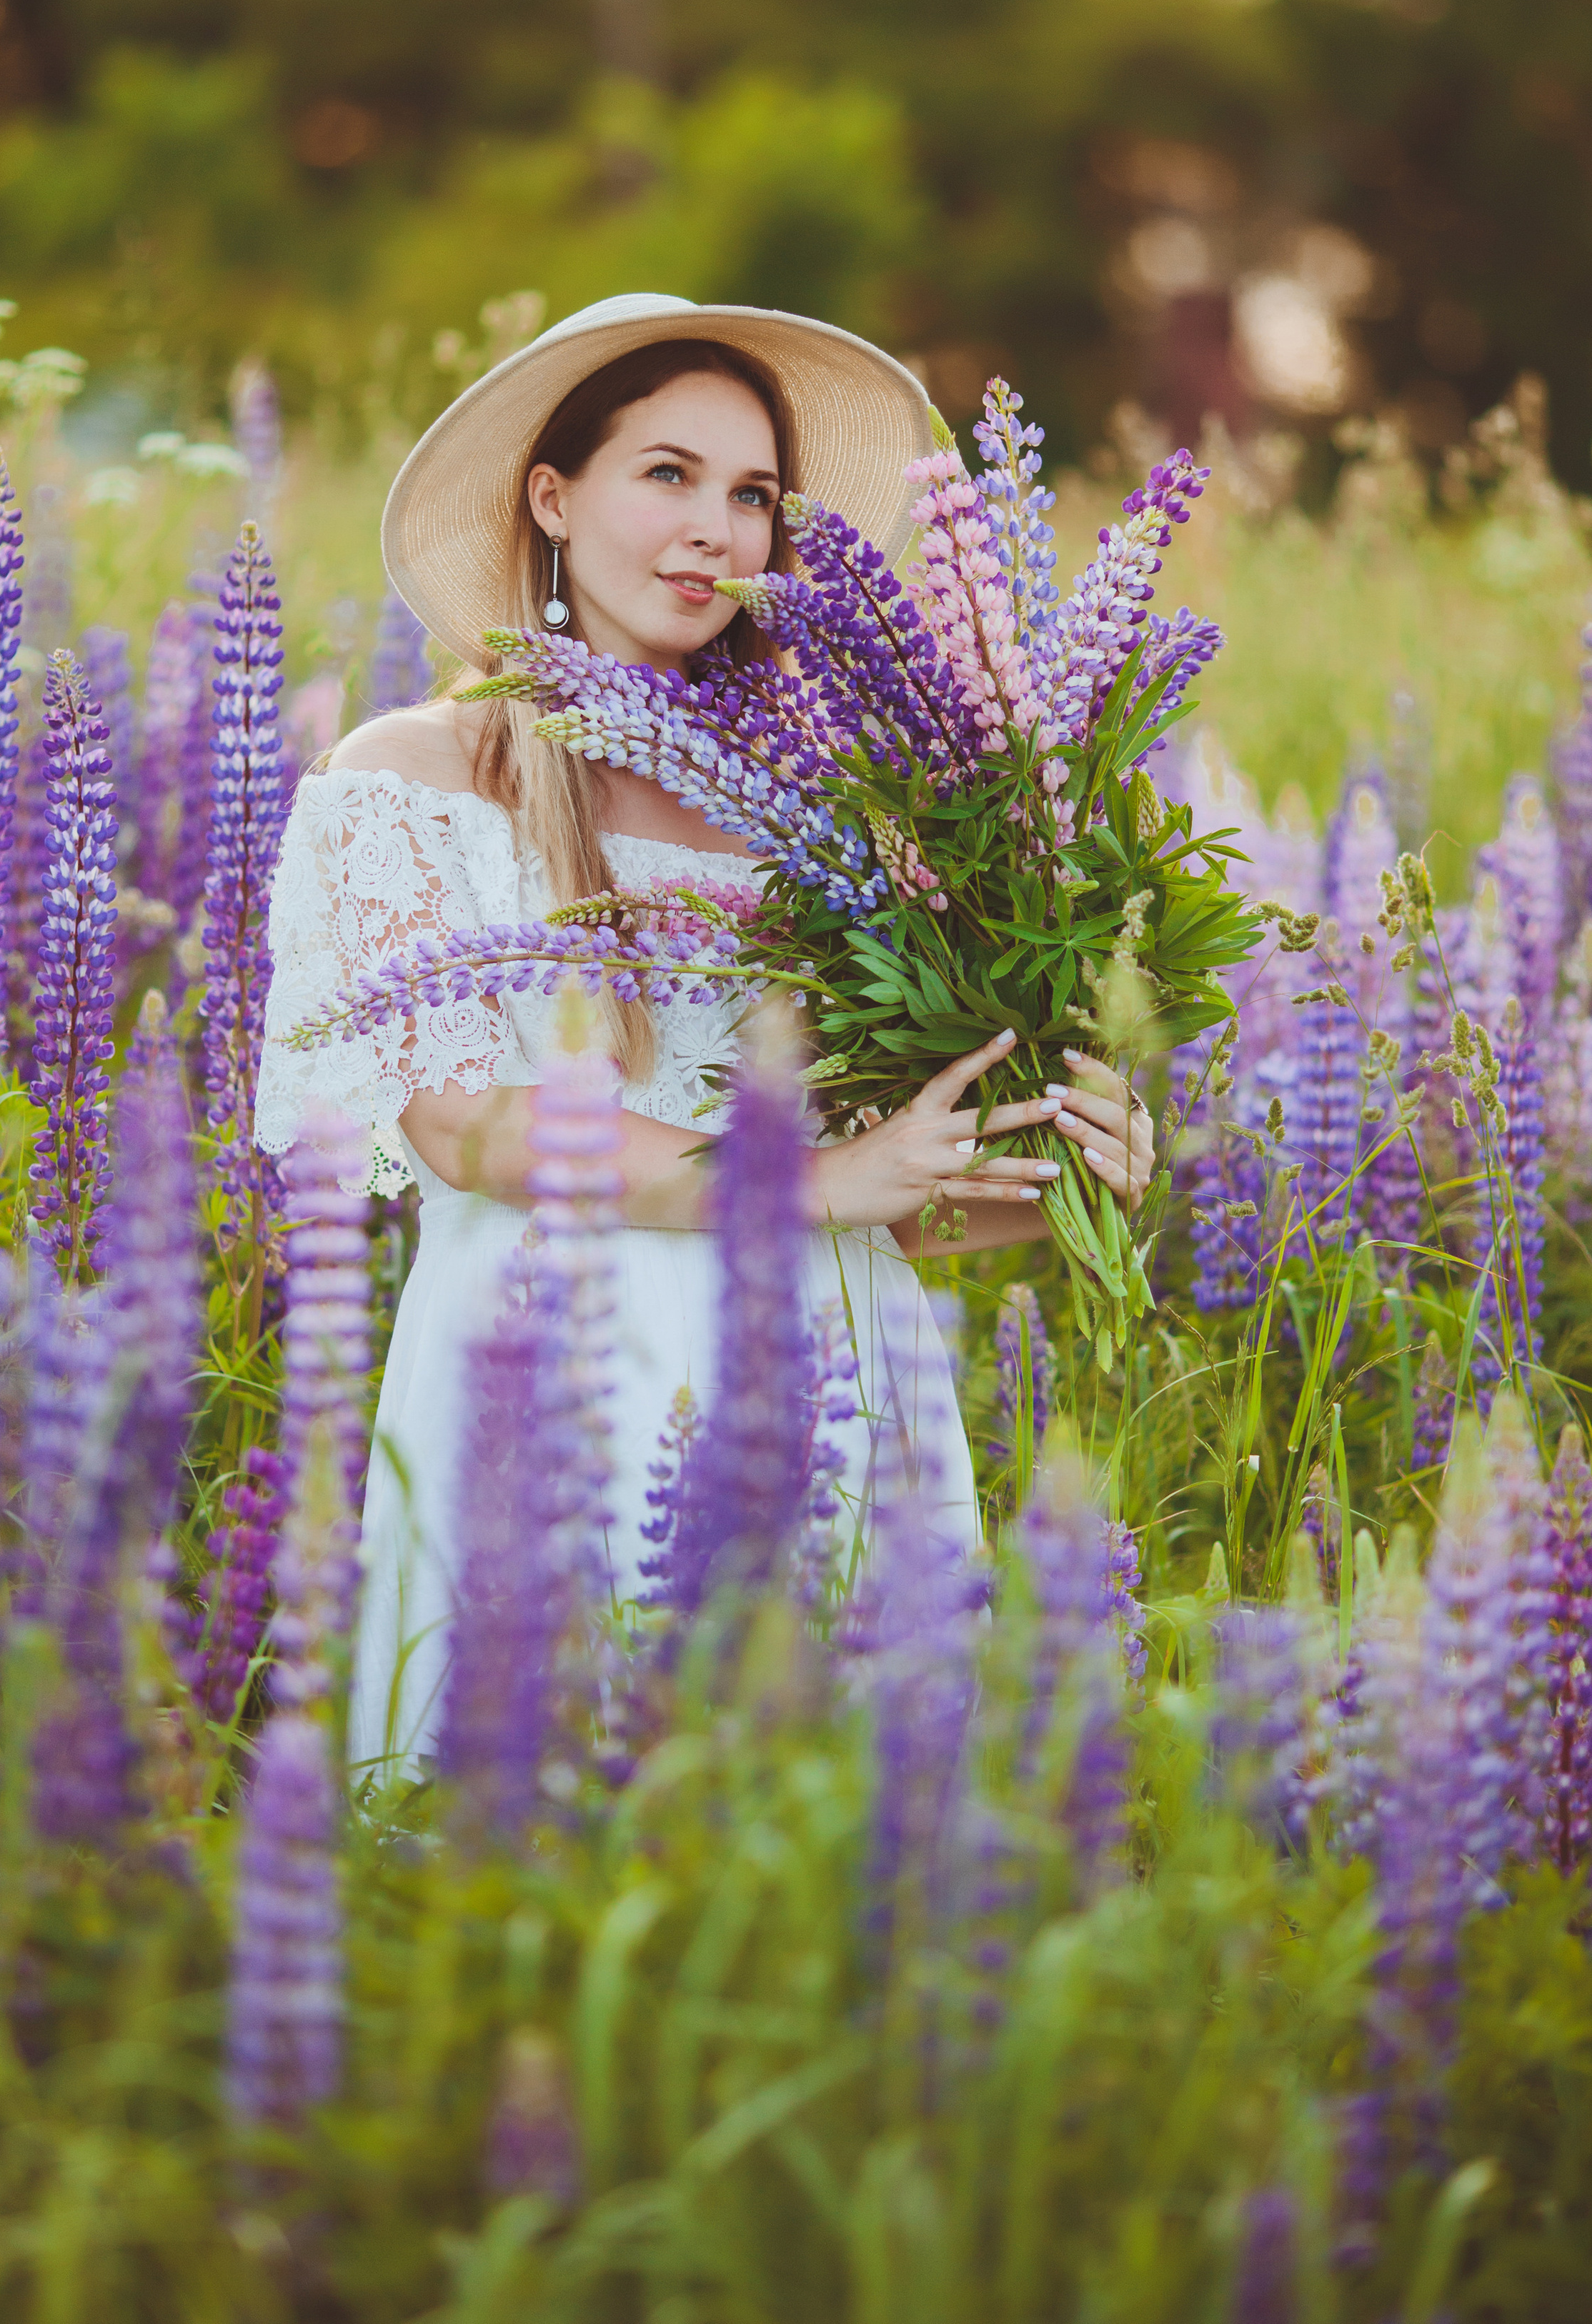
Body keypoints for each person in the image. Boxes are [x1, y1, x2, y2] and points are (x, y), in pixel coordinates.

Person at [253, 294, 1156, 1777]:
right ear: (553, 496)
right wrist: (817, 1180)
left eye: (752, 496)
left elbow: (886, 1192)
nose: (714, 531)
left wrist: (1057, 1172)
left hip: (834, 1372)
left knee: (833, 1850)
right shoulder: (410, 774)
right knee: (531, 1828)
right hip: (556, 1369)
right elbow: (462, 1126)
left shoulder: (839, 816)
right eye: (666, 474)